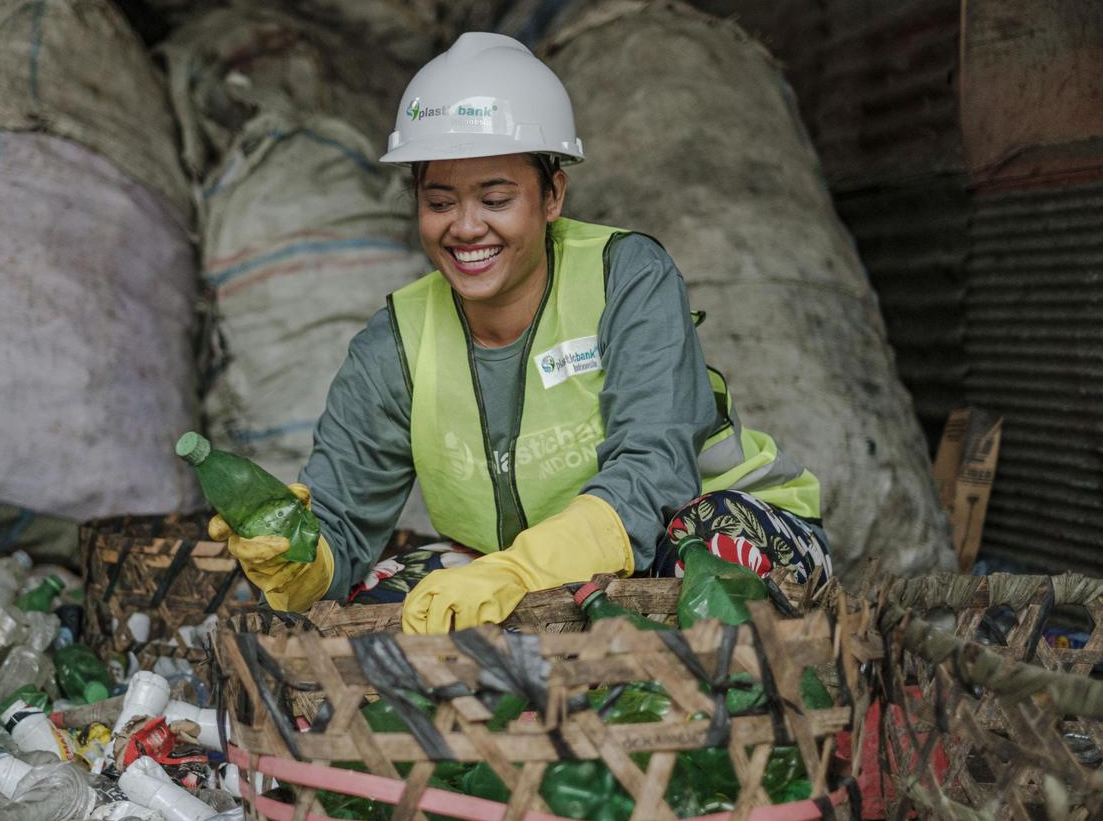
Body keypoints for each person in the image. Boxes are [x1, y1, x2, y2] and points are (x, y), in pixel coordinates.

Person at [208, 32, 831, 633]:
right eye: (440, 202)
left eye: (496, 199)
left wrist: (520, 572)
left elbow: (656, 471)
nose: (465, 227)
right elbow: (340, 524)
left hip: (706, 536)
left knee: (709, 553)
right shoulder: (394, 345)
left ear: (552, 195)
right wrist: (298, 561)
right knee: (391, 602)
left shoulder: (626, 276)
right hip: (542, 573)